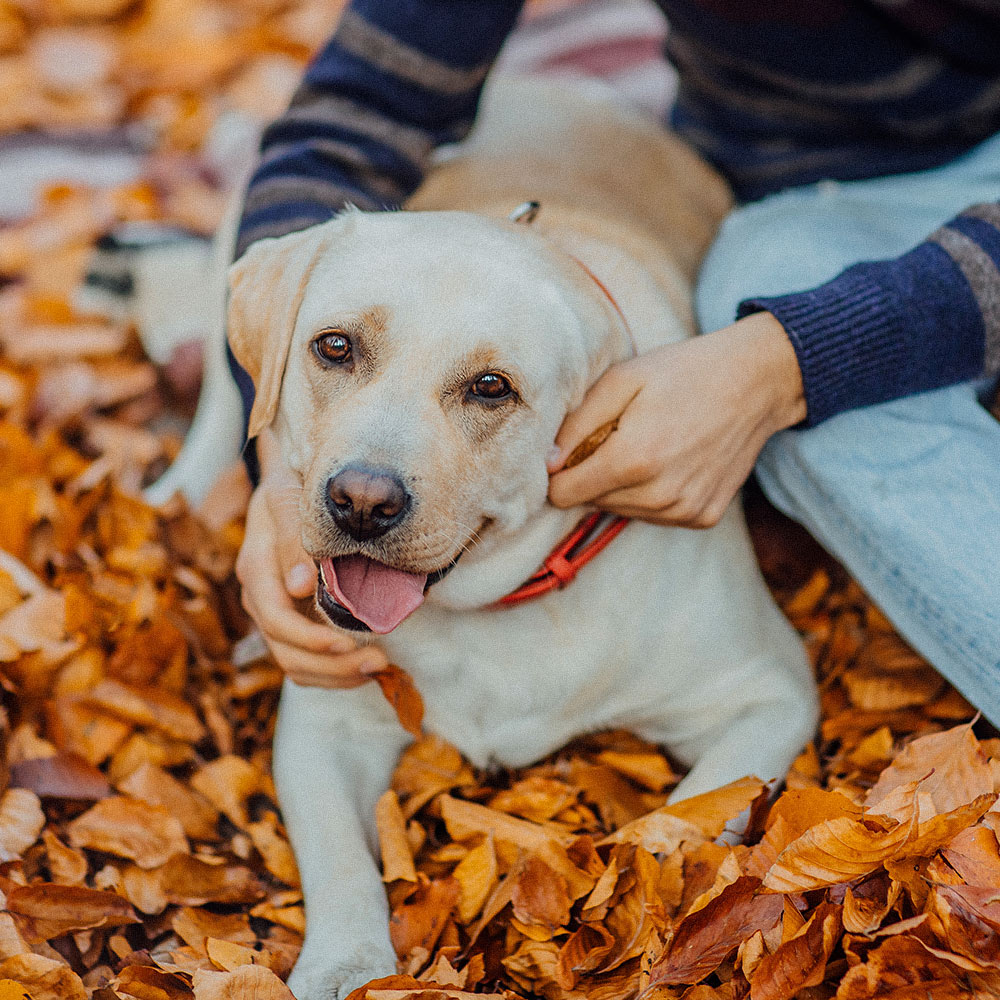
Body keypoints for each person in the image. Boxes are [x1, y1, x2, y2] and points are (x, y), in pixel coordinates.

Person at [230, 0, 1000, 719]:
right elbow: (356, 117)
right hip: (815, 190)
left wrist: (792, 362)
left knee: (809, 357)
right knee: (771, 305)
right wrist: (281, 455)